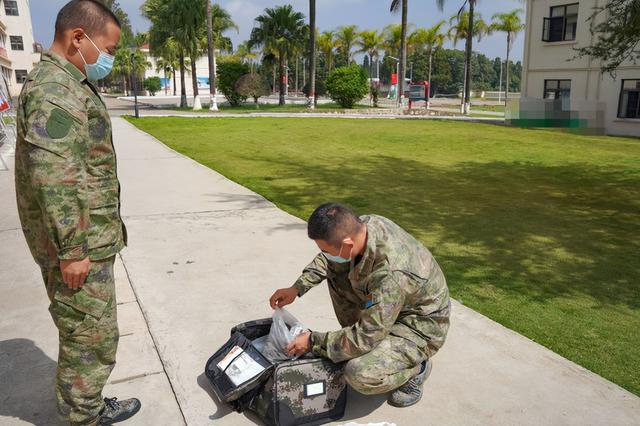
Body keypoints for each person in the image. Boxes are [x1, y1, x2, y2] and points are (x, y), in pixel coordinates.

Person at [14, 1, 140, 424]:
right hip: (77, 243)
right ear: (78, 38)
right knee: (90, 337)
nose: (111, 58)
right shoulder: (56, 91)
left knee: (88, 331)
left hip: (87, 237)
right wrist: (72, 249)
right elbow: (54, 177)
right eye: (109, 48)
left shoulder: (69, 81)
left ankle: (84, 407)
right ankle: (84, 418)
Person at [269, 203, 450, 407]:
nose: (325, 254)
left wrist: (314, 341)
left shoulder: (391, 273)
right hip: (391, 307)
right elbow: (328, 259)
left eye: (325, 250)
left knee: (358, 373)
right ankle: (357, 344)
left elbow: (367, 335)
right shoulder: (359, 227)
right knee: (338, 270)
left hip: (418, 326)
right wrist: (297, 288)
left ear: (347, 244)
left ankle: (417, 369)